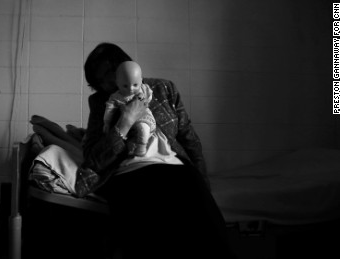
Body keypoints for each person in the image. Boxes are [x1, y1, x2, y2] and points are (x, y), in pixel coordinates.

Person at [77, 42, 236, 258]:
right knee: (152, 227)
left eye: (109, 74)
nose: (107, 84)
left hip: (174, 167)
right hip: (129, 173)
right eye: (100, 82)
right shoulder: (101, 103)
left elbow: (189, 139)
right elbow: (93, 159)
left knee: (206, 224)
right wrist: (125, 121)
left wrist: (202, 180)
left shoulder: (163, 89)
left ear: (126, 66)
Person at [103, 61, 156, 156]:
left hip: (143, 115)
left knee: (144, 128)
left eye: (135, 85)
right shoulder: (116, 97)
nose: (131, 89)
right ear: (117, 83)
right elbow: (109, 110)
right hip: (125, 121)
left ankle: (142, 147)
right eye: (125, 86)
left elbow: (149, 95)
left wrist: (146, 100)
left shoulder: (144, 89)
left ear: (141, 80)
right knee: (125, 138)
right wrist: (106, 122)